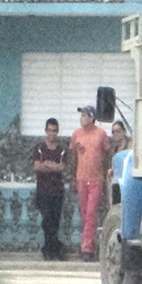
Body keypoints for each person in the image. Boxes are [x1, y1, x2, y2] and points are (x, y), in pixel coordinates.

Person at [70, 106, 111, 262]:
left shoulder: (101, 134)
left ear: (92, 117)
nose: (82, 119)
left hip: (96, 179)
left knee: (91, 212)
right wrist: (73, 177)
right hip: (81, 178)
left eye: (85, 116)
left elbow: (106, 155)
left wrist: (106, 173)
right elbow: (73, 157)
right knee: (84, 213)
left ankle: (86, 247)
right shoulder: (76, 134)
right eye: (81, 116)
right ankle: (88, 245)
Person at [33, 118, 68, 261]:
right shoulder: (40, 148)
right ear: (46, 131)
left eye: (54, 130)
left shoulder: (62, 150)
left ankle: (52, 249)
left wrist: (47, 165)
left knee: (55, 220)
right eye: (50, 130)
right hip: (42, 190)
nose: (52, 133)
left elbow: (62, 167)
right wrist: (52, 166)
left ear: (57, 132)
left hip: (57, 191)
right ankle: (51, 247)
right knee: (46, 218)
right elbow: (37, 166)